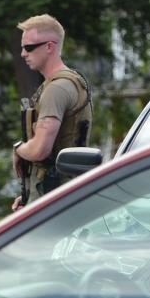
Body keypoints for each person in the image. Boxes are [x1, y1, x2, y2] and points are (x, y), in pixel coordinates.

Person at [11, 14, 92, 211]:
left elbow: (40, 149)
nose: (23, 53)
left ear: (49, 47)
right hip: (57, 191)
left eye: (29, 47)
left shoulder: (57, 89)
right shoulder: (63, 83)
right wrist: (29, 196)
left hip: (56, 194)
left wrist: (18, 149)